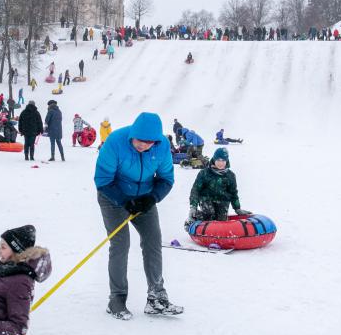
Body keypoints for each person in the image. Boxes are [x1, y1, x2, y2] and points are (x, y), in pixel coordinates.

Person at [94, 111, 182, 320]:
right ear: (132, 134)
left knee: (153, 242)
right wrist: (124, 201)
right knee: (121, 243)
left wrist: (152, 198)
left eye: (148, 142)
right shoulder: (115, 141)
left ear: (156, 141)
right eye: (139, 140)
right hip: (113, 196)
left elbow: (166, 178)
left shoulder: (161, 148)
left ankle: (156, 297)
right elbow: (102, 179)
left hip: (144, 197)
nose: (142, 145)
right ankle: (117, 299)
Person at [186, 147, 251, 227]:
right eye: (218, 160)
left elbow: (233, 193)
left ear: (226, 161)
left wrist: (237, 208)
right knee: (210, 216)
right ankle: (194, 217)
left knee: (221, 222)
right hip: (207, 200)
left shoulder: (230, 175)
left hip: (223, 201)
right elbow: (195, 190)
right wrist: (193, 206)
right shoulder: (204, 173)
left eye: (223, 160)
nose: (220, 163)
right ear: (214, 159)